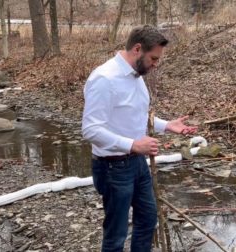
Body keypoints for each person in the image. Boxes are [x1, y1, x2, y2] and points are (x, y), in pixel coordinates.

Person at [82, 25, 197, 252]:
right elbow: (90, 130)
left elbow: (134, 116)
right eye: (154, 58)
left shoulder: (136, 75)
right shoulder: (104, 78)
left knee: (147, 220)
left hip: (137, 163)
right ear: (137, 49)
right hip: (113, 167)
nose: (156, 64)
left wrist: (167, 126)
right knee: (116, 235)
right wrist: (133, 144)